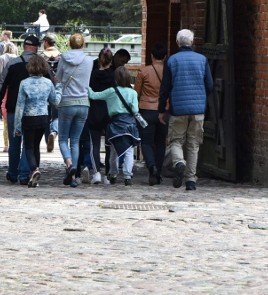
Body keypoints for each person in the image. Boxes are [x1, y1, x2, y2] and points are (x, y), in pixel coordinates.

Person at [158, 28, 214, 191]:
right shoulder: (202, 59)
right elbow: (209, 85)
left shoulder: (172, 60)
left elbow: (165, 87)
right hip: (197, 109)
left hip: (178, 109)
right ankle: (190, 180)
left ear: (177, 42)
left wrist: (162, 109)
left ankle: (179, 162)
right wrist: (201, 97)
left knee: (176, 141)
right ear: (192, 41)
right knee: (194, 144)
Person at [0, 34, 41, 185]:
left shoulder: (12, 64)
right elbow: (52, 83)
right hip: (34, 110)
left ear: (23, 47)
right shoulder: (41, 65)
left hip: (13, 107)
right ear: (36, 48)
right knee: (29, 143)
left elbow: (1, 84)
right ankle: (24, 174)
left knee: (14, 143)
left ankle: (12, 173)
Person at [14, 55, 62, 187]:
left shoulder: (24, 83)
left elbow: (20, 106)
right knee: (36, 146)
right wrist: (59, 88)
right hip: (43, 118)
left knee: (28, 147)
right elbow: (55, 102)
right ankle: (34, 176)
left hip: (29, 118)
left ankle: (34, 169)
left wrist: (17, 126)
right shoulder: (48, 83)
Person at [88, 66, 140, 186]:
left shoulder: (111, 91)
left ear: (115, 79)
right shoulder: (133, 93)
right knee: (129, 151)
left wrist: (86, 86)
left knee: (114, 151)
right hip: (129, 124)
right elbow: (135, 109)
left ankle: (113, 173)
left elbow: (94, 96)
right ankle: (127, 176)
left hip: (115, 124)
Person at [55, 32, 94, 187]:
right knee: (76, 141)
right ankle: (73, 177)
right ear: (83, 44)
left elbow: (58, 78)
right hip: (84, 102)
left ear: (69, 44)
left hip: (66, 102)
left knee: (63, 139)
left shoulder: (63, 59)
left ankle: (70, 165)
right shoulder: (89, 61)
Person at [135, 42, 168, 185]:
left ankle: (151, 166)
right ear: (165, 57)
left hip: (146, 109)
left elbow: (136, 92)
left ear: (152, 56)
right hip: (164, 110)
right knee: (161, 143)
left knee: (146, 143)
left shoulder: (144, 71)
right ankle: (157, 172)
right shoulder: (169, 71)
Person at [85, 47, 115, 182]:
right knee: (110, 145)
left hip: (94, 112)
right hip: (110, 112)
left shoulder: (93, 75)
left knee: (94, 145)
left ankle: (96, 172)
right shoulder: (114, 75)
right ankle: (109, 174)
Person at [41, 33, 62, 152]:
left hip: (44, 89)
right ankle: (54, 132)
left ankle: (47, 141)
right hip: (57, 89)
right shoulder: (61, 57)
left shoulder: (41, 56)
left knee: (46, 116)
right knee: (56, 116)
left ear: (46, 42)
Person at [0, 42, 19, 152]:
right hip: (15, 91)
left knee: (6, 125)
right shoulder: (18, 59)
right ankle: (17, 144)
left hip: (5, 91)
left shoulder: (1, 57)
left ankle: (6, 145)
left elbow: (0, 72)